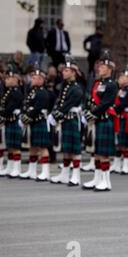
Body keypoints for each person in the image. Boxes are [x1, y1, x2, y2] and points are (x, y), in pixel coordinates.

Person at [82, 50, 118, 192]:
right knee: (96, 152)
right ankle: (97, 178)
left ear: (109, 69)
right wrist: (87, 110)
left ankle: (106, 180)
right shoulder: (97, 83)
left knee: (103, 153)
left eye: (103, 67)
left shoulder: (112, 84)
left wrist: (92, 113)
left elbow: (106, 103)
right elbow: (91, 100)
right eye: (99, 66)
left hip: (104, 120)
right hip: (96, 121)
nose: (99, 68)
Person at [48, 57, 84, 186]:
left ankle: (76, 175)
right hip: (65, 120)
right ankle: (64, 174)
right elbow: (59, 102)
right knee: (66, 149)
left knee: (74, 148)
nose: (63, 72)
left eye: (67, 70)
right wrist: (54, 113)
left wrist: (56, 115)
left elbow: (67, 105)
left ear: (73, 72)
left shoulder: (76, 88)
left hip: (72, 120)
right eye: (63, 70)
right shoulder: (65, 86)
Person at [19, 64, 51, 181]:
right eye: (32, 77)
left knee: (43, 147)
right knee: (33, 147)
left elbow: (37, 108)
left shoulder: (42, 92)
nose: (32, 79)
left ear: (41, 79)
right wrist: (24, 114)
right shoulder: (32, 91)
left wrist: (27, 116)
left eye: (34, 77)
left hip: (39, 121)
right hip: (33, 122)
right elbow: (26, 104)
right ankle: (31, 171)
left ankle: (45, 172)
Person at [110, 65, 128, 175]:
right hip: (118, 117)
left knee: (126, 143)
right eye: (120, 77)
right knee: (118, 143)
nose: (121, 79)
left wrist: (113, 109)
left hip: (125, 118)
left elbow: (123, 104)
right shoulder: (118, 90)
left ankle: (125, 164)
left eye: (124, 77)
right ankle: (116, 164)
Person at [0, 65, 24, 178]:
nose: (6, 80)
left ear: (15, 80)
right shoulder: (9, 91)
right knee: (10, 146)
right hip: (9, 121)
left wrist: (1, 114)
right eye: (6, 78)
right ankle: (10, 167)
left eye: (9, 78)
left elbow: (9, 109)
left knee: (15, 146)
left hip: (14, 120)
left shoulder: (16, 92)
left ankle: (17, 168)